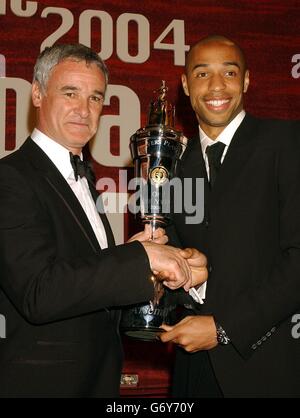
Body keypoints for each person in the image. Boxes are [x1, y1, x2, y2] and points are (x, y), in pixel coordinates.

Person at [0, 44, 208, 397]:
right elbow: (40, 291)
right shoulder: (11, 177)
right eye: (70, 93)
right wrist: (140, 258)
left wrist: (166, 267)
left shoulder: (84, 178)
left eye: (95, 98)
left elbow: (85, 278)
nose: (84, 110)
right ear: (37, 93)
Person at [160, 35, 300, 397]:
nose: (216, 86)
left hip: (271, 366)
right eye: (203, 74)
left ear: (247, 81)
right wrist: (175, 270)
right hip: (195, 369)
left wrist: (224, 328)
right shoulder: (171, 165)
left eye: (229, 73)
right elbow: (174, 267)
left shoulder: (286, 143)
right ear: (186, 85)